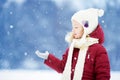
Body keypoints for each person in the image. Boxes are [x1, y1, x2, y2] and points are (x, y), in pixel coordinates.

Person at [35, 8, 110, 80]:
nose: (73, 30)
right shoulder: (73, 48)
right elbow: (62, 67)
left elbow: (103, 76)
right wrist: (48, 58)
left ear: (87, 28)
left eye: (76, 27)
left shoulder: (98, 50)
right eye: (73, 27)